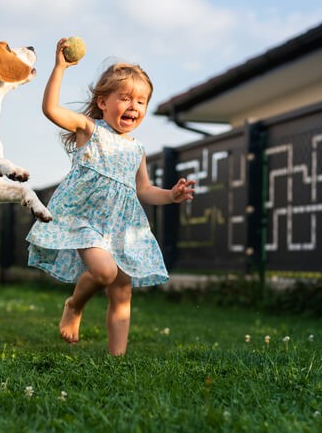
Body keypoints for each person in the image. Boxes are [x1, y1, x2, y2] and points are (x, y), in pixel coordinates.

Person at [26, 38, 196, 356]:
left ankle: (117, 360)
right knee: (105, 272)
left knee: (122, 292)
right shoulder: (89, 130)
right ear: (103, 102)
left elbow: (144, 190)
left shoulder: (137, 149)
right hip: (84, 218)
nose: (134, 106)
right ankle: (74, 305)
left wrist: (172, 196)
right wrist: (60, 68)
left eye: (141, 101)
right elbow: (50, 109)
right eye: (126, 98)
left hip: (123, 227)